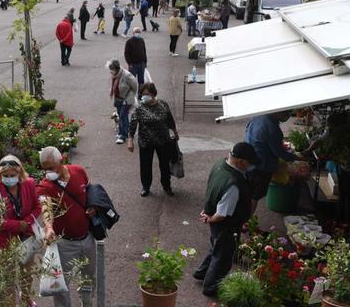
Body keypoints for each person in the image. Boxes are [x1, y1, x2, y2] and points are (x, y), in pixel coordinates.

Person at [37, 146, 97, 307]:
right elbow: (45, 207)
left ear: (61, 160)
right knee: (61, 281)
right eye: (45, 169)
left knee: (89, 274)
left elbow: (90, 192)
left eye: (51, 168)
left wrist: (93, 206)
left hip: (87, 237)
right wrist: (49, 227)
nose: (48, 173)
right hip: (64, 242)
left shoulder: (79, 171)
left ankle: (85, 299)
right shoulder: (45, 186)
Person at [194, 142, 258, 296]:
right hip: (226, 225)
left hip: (215, 221)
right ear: (241, 161)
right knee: (223, 257)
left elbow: (213, 190)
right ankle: (211, 287)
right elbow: (223, 214)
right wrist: (210, 218)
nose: (251, 167)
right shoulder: (233, 184)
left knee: (215, 246)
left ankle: (201, 272)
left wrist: (207, 211)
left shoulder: (220, 165)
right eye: (250, 163)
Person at [0, 155, 42, 307]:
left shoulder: (29, 184)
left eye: (12, 175)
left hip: (26, 237)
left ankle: (26, 299)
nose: (9, 179)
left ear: (19, 173)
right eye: (6, 176)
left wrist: (26, 222)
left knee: (26, 271)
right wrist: (18, 225)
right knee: (8, 274)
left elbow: (37, 207)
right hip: (4, 239)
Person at [127, 82, 179, 196]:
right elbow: (133, 124)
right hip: (146, 142)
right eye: (142, 94)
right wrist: (130, 140)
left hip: (163, 140)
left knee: (164, 165)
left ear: (154, 94)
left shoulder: (163, 104)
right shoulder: (140, 107)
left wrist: (175, 132)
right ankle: (146, 187)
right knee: (145, 166)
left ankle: (167, 186)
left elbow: (169, 119)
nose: (144, 97)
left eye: (147, 94)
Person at [244, 112, 299, 215]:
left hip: (249, 160)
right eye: (286, 113)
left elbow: (247, 131)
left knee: (248, 194)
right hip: (261, 166)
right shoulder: (273, 128)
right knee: (254, 197)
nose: (288, 116)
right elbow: (279, 152)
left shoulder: (257, 116)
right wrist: (295, 157)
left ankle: (244, 221)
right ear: (278, 112)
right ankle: (245, 223)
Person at [107, 59, 138, 145]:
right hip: (118, 98)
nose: (110, 71)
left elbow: (135, 86)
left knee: (123, 116)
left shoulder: (127, 75)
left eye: (111, 69)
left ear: (116, 68)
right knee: (121, 115)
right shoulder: (115, 75)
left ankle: (122, 135)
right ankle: (128, 132)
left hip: (126, 99)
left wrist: (130, 96)